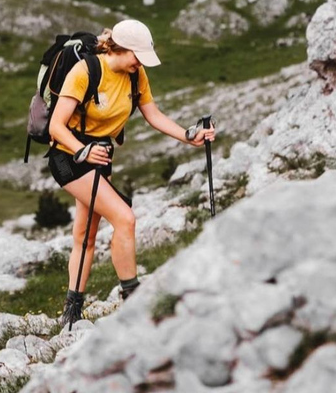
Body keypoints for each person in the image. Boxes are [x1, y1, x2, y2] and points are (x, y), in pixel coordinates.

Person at [47, 19, 216, 328]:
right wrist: (82, 151)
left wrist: (188, 136)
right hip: (69, 156)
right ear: (120, 48)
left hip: (101, 156)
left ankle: (72, 310)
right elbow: (56, 126)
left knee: (85, 235)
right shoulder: (85, 72)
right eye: (137, 56)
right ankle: (133, 301)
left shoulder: (136, 75)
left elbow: (153, 114)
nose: (140, 63)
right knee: (125, 218)